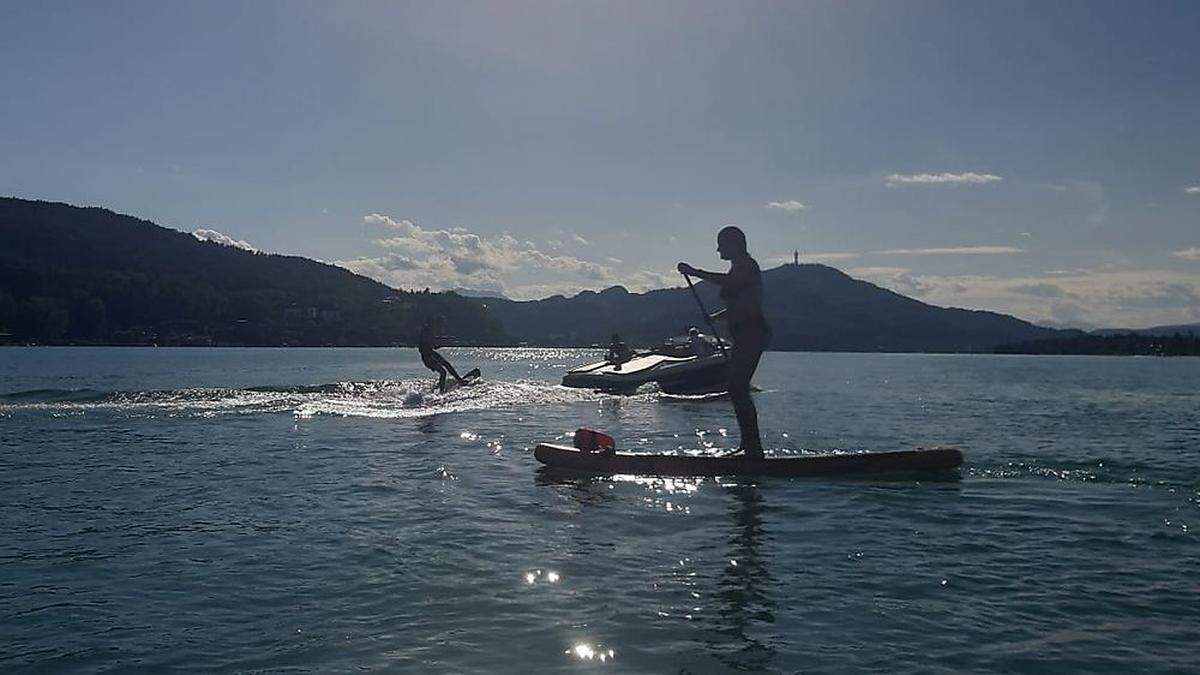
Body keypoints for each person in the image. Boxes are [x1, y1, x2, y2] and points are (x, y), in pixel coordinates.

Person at [678, 226, 769, 459]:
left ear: (735, 244)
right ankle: (749, 447)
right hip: (743, 335)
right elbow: (740, 302)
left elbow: (729, 283)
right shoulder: (739, 268)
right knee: (735, 388)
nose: (718, 249)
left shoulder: (747, 266)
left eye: (722, 244)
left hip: (752, 333)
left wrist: (695, 271)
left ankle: (753, 450)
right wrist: (717, 318)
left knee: (738, 387)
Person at [418, 315, 466, 393]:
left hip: (429, 354)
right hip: (427, 356)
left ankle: (456, 381)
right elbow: (428, 344)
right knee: (443, 371)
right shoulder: (427, 330)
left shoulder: (429, 330)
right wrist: (441, 342)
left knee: (446, 365)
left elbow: (433, 343)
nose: (440, 328)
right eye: (440, 325)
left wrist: (443, 340)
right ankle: (442, 391)